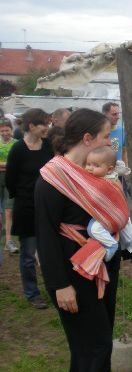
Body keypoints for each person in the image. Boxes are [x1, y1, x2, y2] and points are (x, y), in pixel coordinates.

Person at [34, 108, 132, 372]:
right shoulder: (53, 179)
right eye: (106, 136)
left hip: (105, 267)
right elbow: (46, 236)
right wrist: (60, 285)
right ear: (87, 138)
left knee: (95, 346)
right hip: (74, 272)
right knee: (94, 347)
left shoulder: (100, 176)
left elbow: (115, 220)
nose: (110, 142)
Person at [5, 108, 54, 309]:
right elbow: (10, 180)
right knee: (28, 254)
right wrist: (26, 196)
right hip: (26, 207)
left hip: (47, 206)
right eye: (43, 123)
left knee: (50, 250)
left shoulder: (49, 146)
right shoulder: (18, 149)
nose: (47, 127)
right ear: (32, 126)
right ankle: (32, 293)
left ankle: (55, 288)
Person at [84, 145, 132, 261]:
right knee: (126, 227)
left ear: (108, 169)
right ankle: (128, 247)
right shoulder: (112, 177)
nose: (90, 168)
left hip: (110, 215)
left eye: (96, 165)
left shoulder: (107, 181)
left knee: (93, 229)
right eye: (88, 164)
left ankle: (112, 245)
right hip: (118, 215)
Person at [0, 117, 19, 254]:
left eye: (7, 130)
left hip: (10, 179)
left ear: (11, 130)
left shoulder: (17, 144)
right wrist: (8, 165)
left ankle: (8, 241)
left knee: (9, 210)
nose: (5, 133)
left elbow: (17, 164)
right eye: (2, 130)